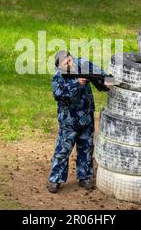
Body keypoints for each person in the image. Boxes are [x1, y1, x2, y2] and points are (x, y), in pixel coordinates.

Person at [48, 50, 112, 193]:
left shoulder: (83, 64)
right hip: (68, 120)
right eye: (66, 64)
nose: (70, 64)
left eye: (70, 60)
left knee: (86, 147)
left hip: (86, 117)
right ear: (60, 66)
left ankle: (85, 177)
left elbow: (100, 75)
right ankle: (55, 179)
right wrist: (77, 84)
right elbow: (59, 94)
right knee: (63, 150)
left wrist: (108, 83)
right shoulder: (58, 76)